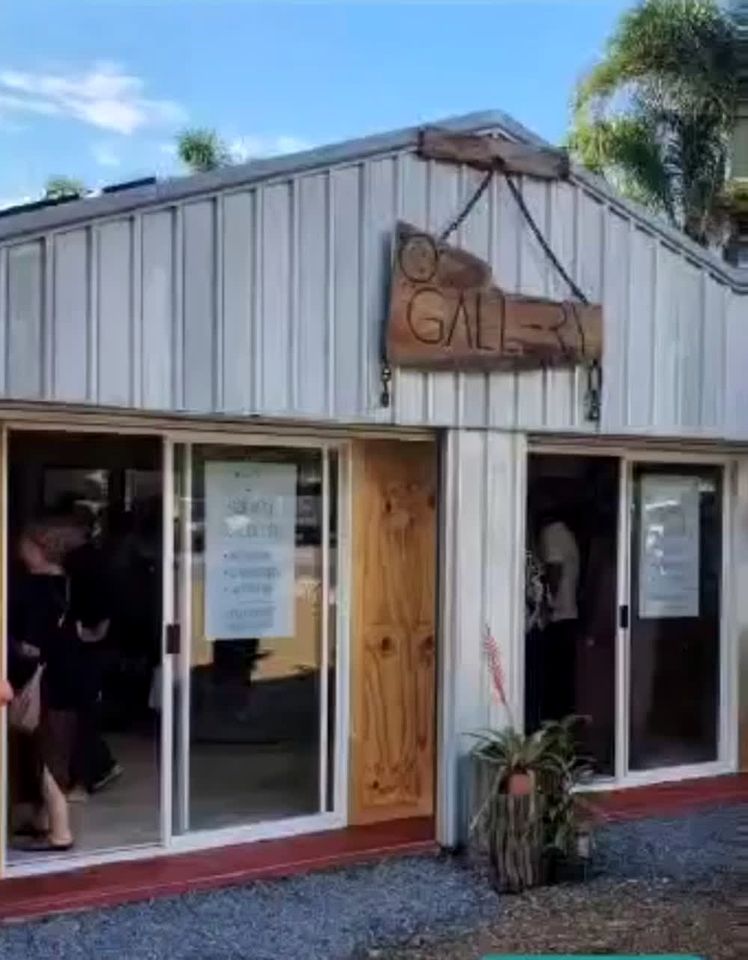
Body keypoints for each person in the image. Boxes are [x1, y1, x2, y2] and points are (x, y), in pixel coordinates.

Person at [8, 518, 84, 852]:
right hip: (68, 674)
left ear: (38, 549)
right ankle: (41, 821)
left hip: (44, 679)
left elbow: (31, 644)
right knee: (53, 749)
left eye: (24, 543)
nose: (18, 549)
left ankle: (59, 832)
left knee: (48, 753)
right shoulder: (67, 585)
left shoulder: (32, 590)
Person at [538, 507, 580, 722]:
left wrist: (548, 605)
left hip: (557, 616)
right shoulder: (567, 533)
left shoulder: (551, 532)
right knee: (563, 679)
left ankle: (553, 730)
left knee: (553, 681)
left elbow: (554, 570)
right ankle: (564, 731)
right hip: (569, 614)